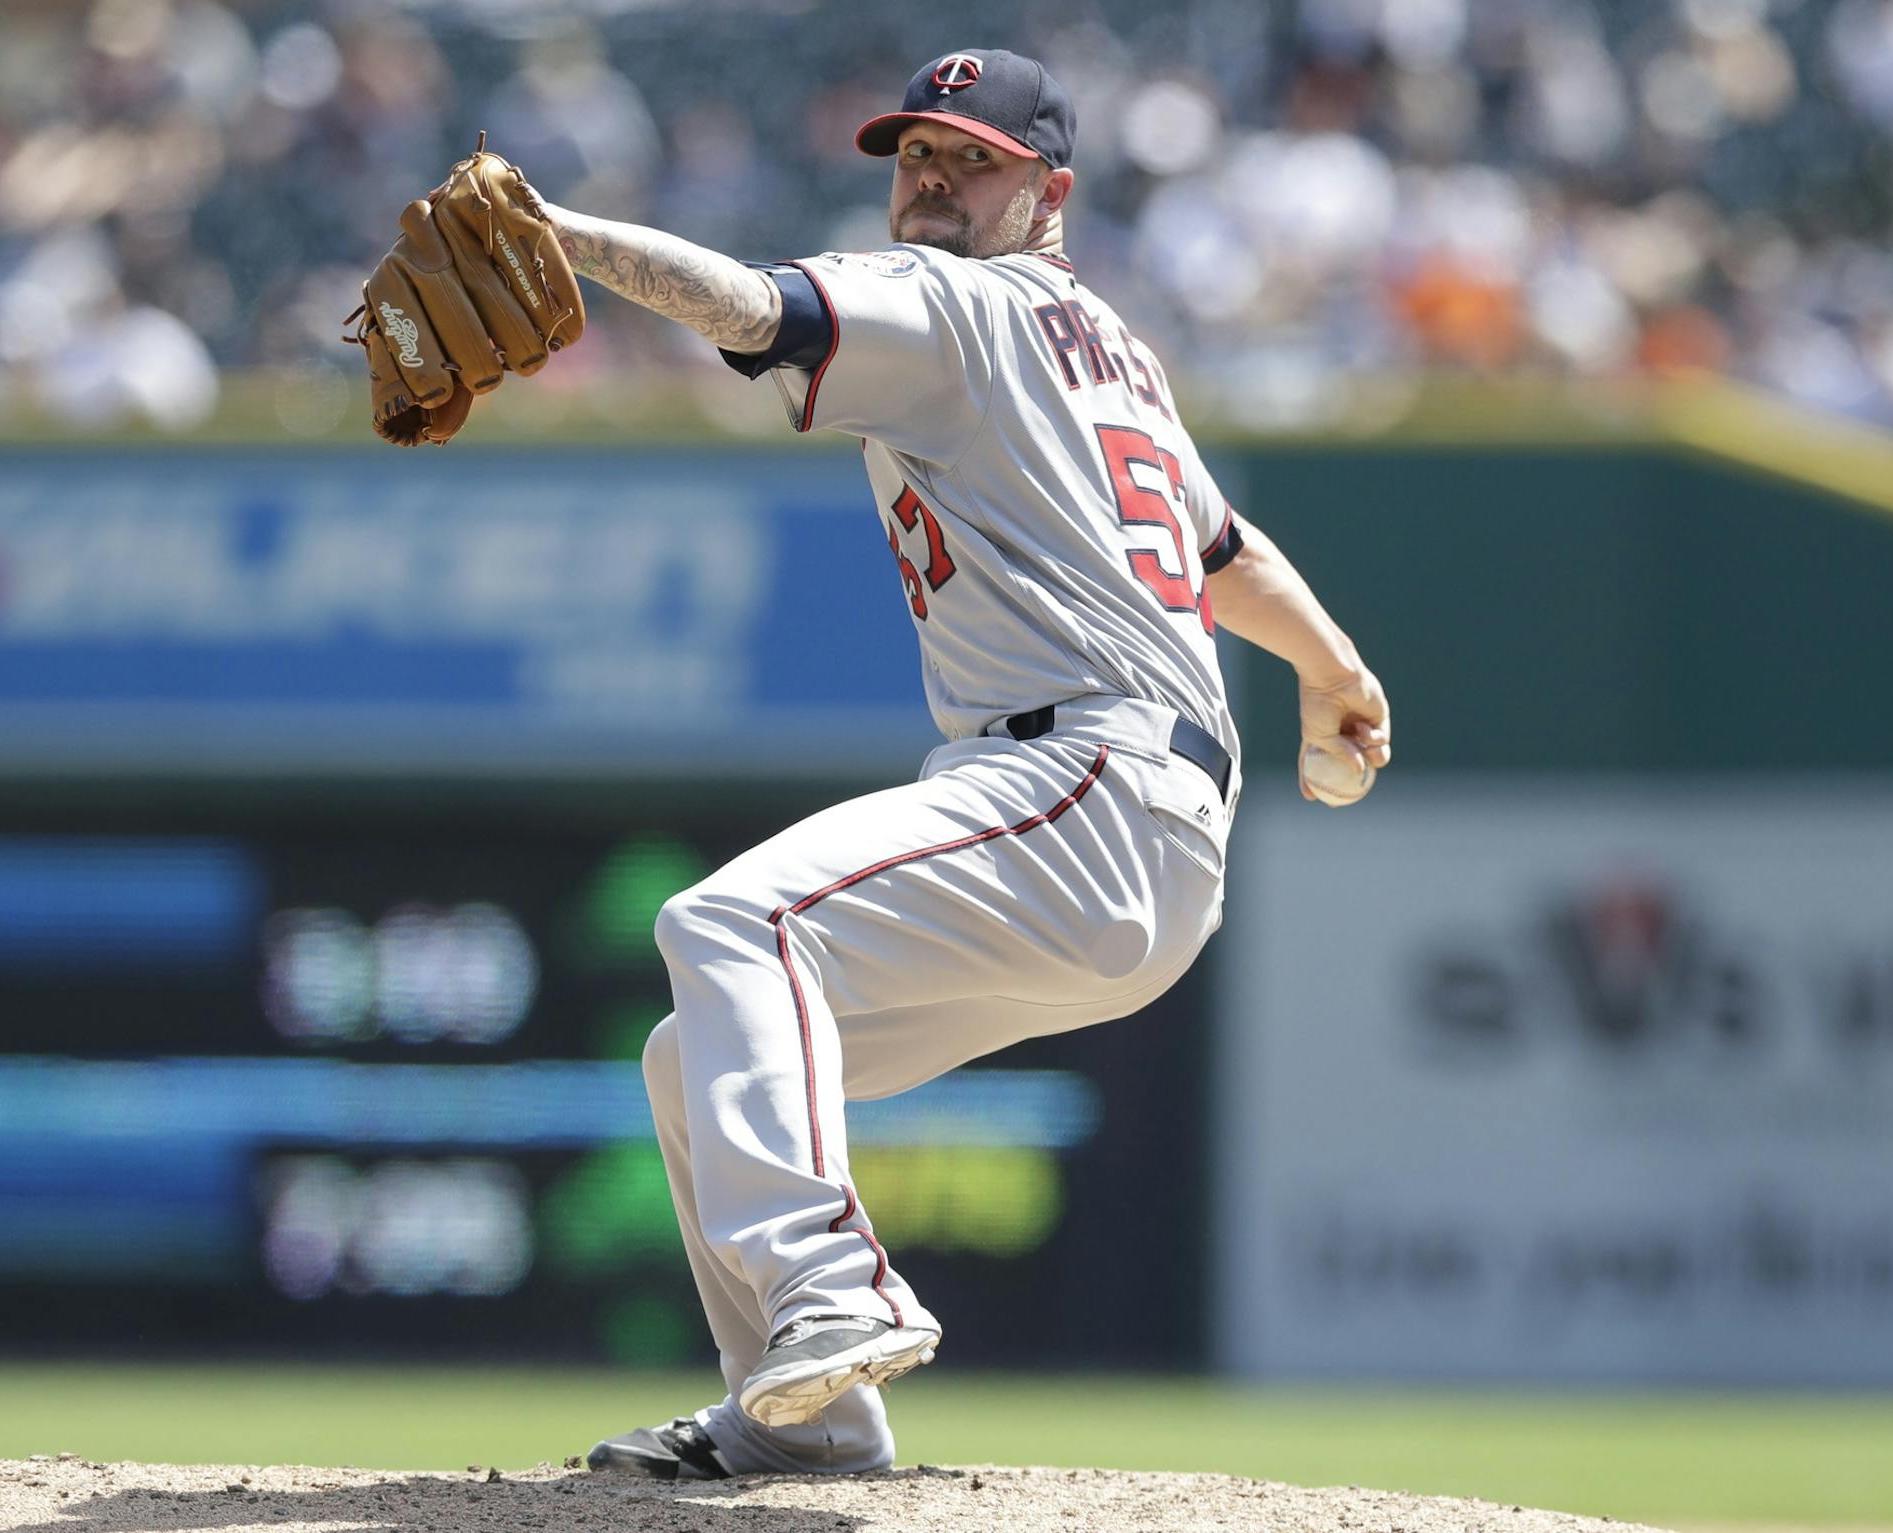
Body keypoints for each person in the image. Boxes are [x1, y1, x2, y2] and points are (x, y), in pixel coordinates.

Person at [555, 48, 1390, 1479]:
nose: (932, 179)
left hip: (1083, 784)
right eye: (915, 155)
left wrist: (561, 241)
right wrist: (1335, 670)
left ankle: (835, 1291)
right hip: (1137, 841)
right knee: (695, 1056)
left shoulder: (957, 301)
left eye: (971, 158)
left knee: (727, 919)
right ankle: (804, 1418)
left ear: (1047, 192)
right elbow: (1215, 550)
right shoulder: (1110, 347)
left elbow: (761, 309)